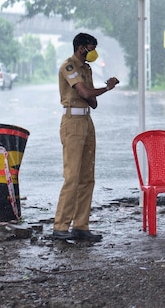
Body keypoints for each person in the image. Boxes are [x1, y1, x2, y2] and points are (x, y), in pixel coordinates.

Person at [52, 33, 120, 242]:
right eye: (91, 48)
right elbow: (83, 92)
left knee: (87, 177)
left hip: (87, 121)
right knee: (72, 176)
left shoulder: (86, 69)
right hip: (72, 122)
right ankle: (61, 225)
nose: (94, 53)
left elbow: (92, 101)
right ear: (81, 48)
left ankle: (81, 225)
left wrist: (97, 91)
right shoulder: (69, 67)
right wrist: (106, 88)